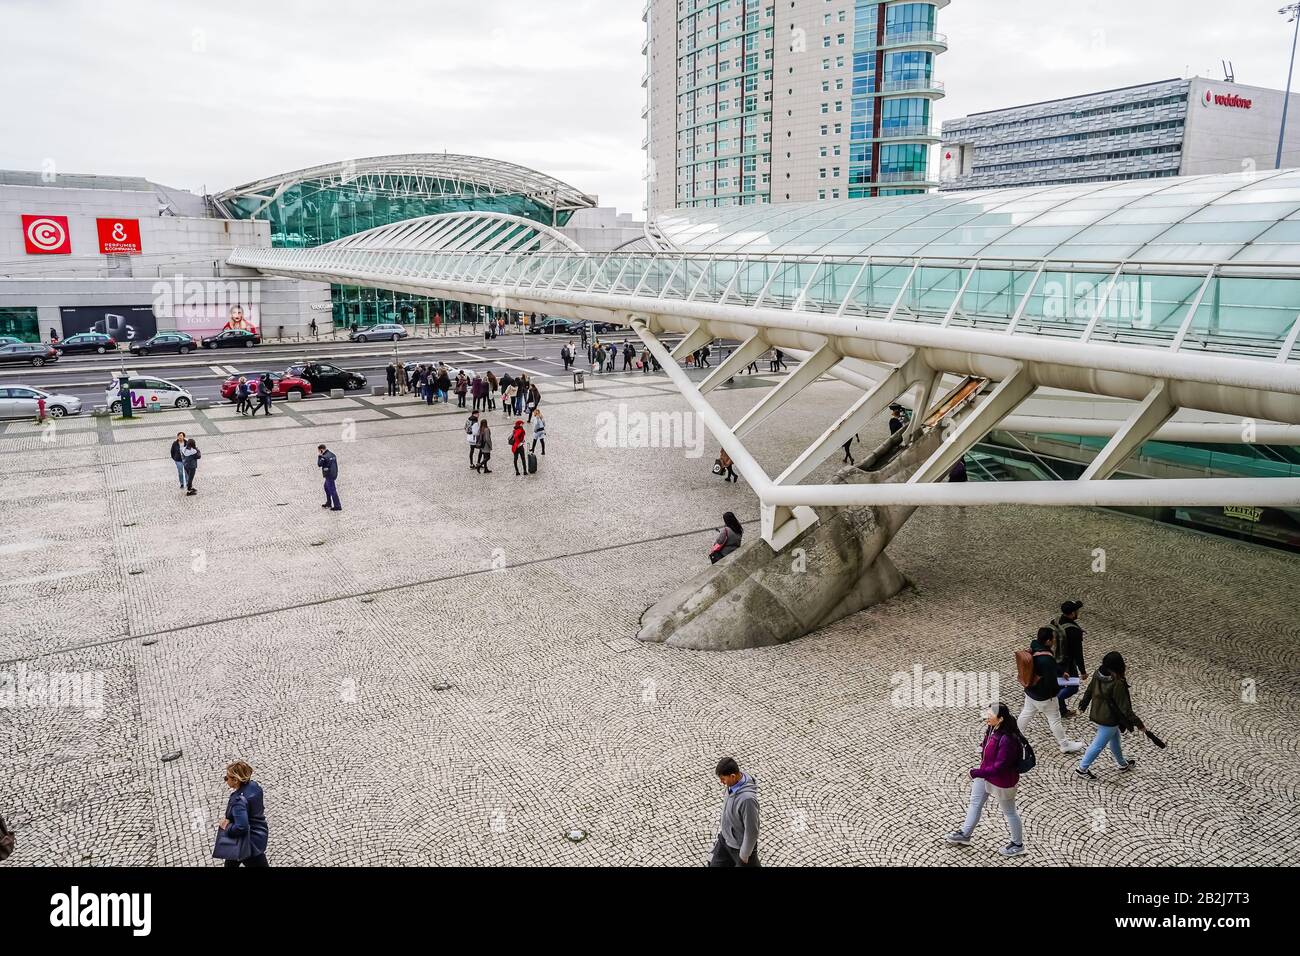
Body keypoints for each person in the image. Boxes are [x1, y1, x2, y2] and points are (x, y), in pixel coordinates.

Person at [944, 703, 1027, 857]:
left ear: (1001, 719)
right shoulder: (992, 728)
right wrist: (982, 747)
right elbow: (987, 743)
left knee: (1010, 812)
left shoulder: (1008, 740)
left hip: (1002, 781)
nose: (987, 716)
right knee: (975, 803)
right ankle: (965, 834)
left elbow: (1000, 767)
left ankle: (1018, 844)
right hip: (985, 774)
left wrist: (975, 773)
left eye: (991, 714)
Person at [1076, 651, 1144, 779]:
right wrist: (1139, 724)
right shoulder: (1117, 683)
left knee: (1115, 739)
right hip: (1110, 718)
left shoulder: (1098, 673)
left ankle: (1122, 764)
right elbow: (1125, 709)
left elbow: (1089, 690)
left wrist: (1083, 706)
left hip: (1098, 712)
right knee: (1098, 744)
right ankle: (1082, 768)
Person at [1016, 627, 1084, 754]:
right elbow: (1051, 681)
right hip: (1045, 696)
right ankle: (1065, 745)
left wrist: (1060, 672)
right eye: (1053, 639)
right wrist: (1058, 689)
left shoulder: (1035, 648)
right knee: (1054, 719)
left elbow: (1049, 663)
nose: (1054, 641)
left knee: (1026, 713)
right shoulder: (1046, 659)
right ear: (1047, 641)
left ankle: (1015, 737)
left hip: (1031, 691)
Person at [708, 756, 759, 867]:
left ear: (733, 776)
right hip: (725, 840)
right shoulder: (732, 784)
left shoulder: (748, 800)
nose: (721, 782)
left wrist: (744, 855)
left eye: (723, 779)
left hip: (740, 848)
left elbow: (752, 831)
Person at [219, 761, 269, 867]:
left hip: (247, 843)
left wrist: (227, 826)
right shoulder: (255, 787)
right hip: (256, 835)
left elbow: (241, 827)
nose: (225, 780)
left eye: (227, 778)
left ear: (236, 780)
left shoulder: (238, 801)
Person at [1050, 600, 1086, 718]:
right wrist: (1083, 671)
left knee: (1060, 685)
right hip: (1067, 663)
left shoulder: (1056, 622)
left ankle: (1062, 710)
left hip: (1055, 660)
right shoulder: (1073, 631)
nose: (1078, 613)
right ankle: (1056, 702)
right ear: (1072, 613)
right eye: (1076, 611)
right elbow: (1078, 653)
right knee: (1073, 687)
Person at [318, 444, 341, 511]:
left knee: (332, 490)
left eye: (319, 451)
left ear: (321, 450)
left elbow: (319, 464)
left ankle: (337, 506)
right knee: (326, 487)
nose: (319, 452)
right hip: (333, 474)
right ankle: (328, 502)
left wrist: (319, 456)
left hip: (329, 475)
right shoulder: (332, 454)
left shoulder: (324, 457)